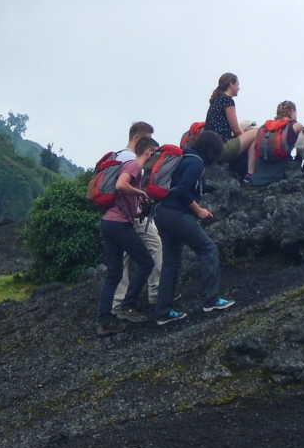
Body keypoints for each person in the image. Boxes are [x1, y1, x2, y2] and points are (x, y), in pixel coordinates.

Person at [153, 130, 235, 325]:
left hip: (161, 212)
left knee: (171, 262)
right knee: (208, 249)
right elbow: (182, 190)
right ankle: (211, 300)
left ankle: (163, 312)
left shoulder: (185, 156)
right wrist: (198, 210)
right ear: (212, 150)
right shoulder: (196, 163)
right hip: (176, 213)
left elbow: (184, 185)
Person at [96, 136, 159, 335]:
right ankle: (128, 305)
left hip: (109, 221)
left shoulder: (130, 166)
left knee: (114, 272)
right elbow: (121, 186)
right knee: (146, 262)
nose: (155, 159)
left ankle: (104, 320)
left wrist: (141, 211)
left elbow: (124, 203)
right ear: (148, 151)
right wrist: (141, 194)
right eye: (154, 153)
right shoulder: (133, 166)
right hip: (118, 225)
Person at [110, 121, 167, 313]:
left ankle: (118, 303)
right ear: (137, 138)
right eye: (148, 141)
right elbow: (123, 186)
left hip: (115, 214)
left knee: (123, 260)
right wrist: (141, 197)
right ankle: (156, 292)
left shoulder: (116, 155)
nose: (150, 149)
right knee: (154, 246)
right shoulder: (132, 160)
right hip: (131, 214)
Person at [244, 100, 304, 186]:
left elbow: (254, 147)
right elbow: (302, 146)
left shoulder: (264, 127)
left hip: (258, 176)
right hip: (281, 175)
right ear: (292, 111)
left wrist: (250, 172)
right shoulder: (296, 125)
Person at [205, 73, 259, 165]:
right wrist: (245, 137)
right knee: (257, 131)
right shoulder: (227, 100)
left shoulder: (216, 101)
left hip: (211, 150)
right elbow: (236, 130)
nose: (239, 88)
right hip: (223, 149)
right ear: (231, 84)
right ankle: (250, 172)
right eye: (237, 85)